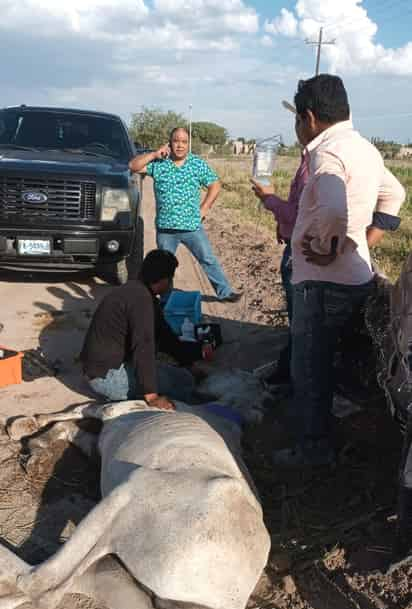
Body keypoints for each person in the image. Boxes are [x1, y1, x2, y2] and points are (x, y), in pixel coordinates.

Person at [272, 74, 406, 467]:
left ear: (309, 117)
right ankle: (349, 427)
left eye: (297, 121)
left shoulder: (324, 152)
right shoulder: (367, 149)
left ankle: (314, 450)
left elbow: (331, 205)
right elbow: (394, 193)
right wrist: (365, 237)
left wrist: (329, 244)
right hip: (358, 277)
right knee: (343, 357)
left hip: (321, 282)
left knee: (309, 367)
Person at [80, 250, 204, 410]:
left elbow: (165, 335)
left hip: (99, 369)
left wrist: (188, 362)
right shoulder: (142, 301)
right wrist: (151, 396)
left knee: (179, 374)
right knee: (183, 383)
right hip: (106, 378)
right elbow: (143, 347)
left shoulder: (136, 289)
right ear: (164, 280)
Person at [129, 127, 242, 303]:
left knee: (208, 259)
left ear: (188, 144)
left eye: (184, 141)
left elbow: (215, 185)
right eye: (176, 141)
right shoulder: (159, 164)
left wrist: (204, 208)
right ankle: (164, 300)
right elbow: (133, 166)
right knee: (163, 268)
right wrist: (154, 154)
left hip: (192, 227)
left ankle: (225, 292)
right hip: (166, 229)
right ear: (170, 142)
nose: (180, 145)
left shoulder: (196, 164)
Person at [252, 109, 309, 384]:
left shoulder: (316, 164)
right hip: (294, 245)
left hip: (302, 254)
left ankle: (291, 374)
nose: (295, 128)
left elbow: (300, 216)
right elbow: (296, 208)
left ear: (308, 120)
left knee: (300, 321)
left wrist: (268, 198)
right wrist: (280, 223)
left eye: (297, 121)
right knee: (298, 317)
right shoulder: (307, 159)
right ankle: (290, 367)